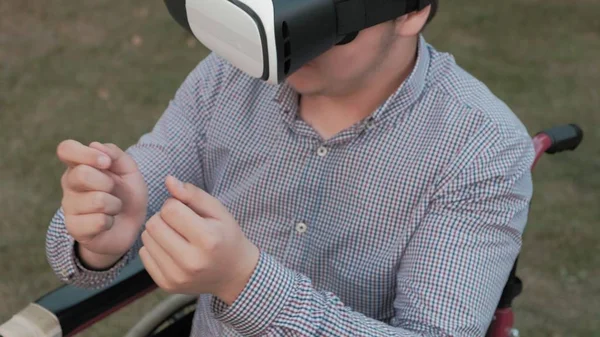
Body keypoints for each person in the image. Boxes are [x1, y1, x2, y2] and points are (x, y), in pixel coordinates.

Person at [46, 1, 535, 336]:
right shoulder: (227, 78)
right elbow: (104, 223)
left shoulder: (482, 147)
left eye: (312, 12)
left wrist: (243, 280)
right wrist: (98, 240)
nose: (283, 42)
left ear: (411, 10)